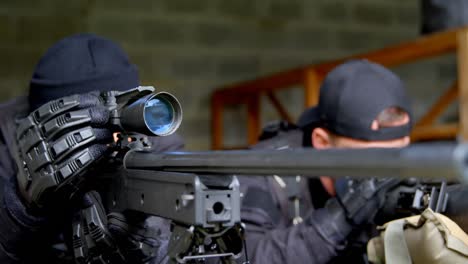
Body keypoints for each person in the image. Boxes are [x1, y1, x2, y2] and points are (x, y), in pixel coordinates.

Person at [0, 33, 184, 263]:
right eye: (78, 135)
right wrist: (21, 208)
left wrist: (163, 246)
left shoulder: (157, 144)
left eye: (115, 128)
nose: (107, 144)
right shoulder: (9, 147)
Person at [239, 59, 413, 264]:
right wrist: (341, 218)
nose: (386, 172)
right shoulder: (264, 171)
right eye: (373, 159)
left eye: (398, 155)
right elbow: (245, 257)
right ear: (322, 142)